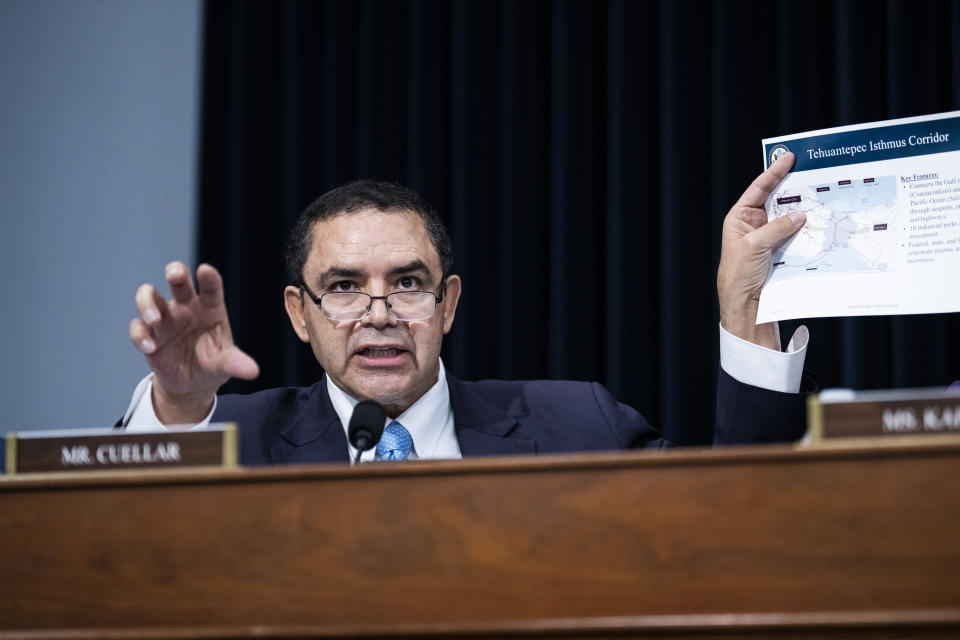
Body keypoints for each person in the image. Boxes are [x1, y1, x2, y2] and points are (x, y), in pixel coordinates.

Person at [122, 153, 810, 463]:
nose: (380, 312)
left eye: (409, 282)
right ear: (299, 315)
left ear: (448, 303)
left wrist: (742, 302)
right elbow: (120, 546)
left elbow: (734, 524)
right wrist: (179, 407)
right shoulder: (230, 441)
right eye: (343, 287)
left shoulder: (576, 426)